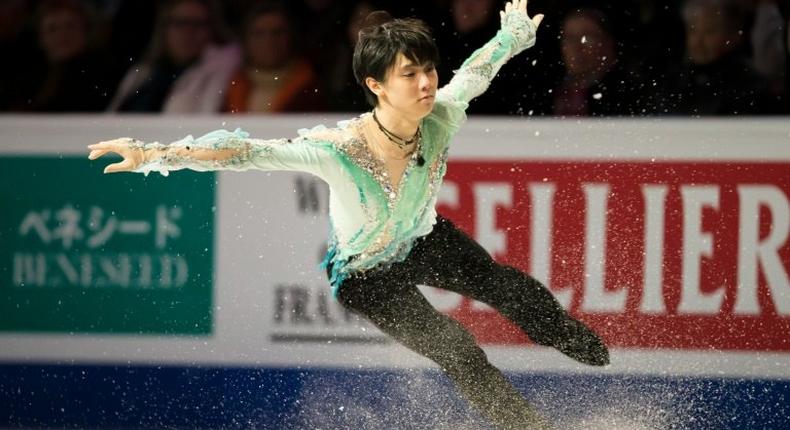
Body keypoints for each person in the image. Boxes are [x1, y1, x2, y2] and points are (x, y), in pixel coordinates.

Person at [88, 1, 609, 428]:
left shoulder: (442, 114)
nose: (427, 83)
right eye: (410, 74)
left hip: (422, 238)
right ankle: (526, 426)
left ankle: (564, 335)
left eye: (428, 69)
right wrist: (151, 153)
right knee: (457, 348)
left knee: (510, 288)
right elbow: (242, 152)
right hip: (364, 276)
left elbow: (475, 72)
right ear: (376, 85)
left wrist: (511, 38)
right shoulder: (338, 148)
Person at [107, 0, 239, 113]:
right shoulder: (141, 73)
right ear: (164, 28)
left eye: (198, 24)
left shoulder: (222, 71)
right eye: (180, 23)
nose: (188, 32)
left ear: (212, 29)